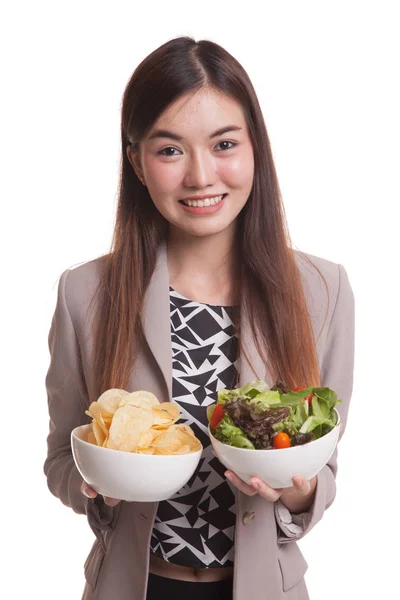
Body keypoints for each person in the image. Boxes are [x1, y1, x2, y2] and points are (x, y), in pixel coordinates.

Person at [43, 36, 355, 600]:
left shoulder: (321, 290)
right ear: (137, 162)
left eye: (224, 144)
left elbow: (326, 465)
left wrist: (299, 493)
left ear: (255, 147)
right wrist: (96, 487)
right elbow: (63, 459)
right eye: (170, 151)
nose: (201, 176)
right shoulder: (84, 293)